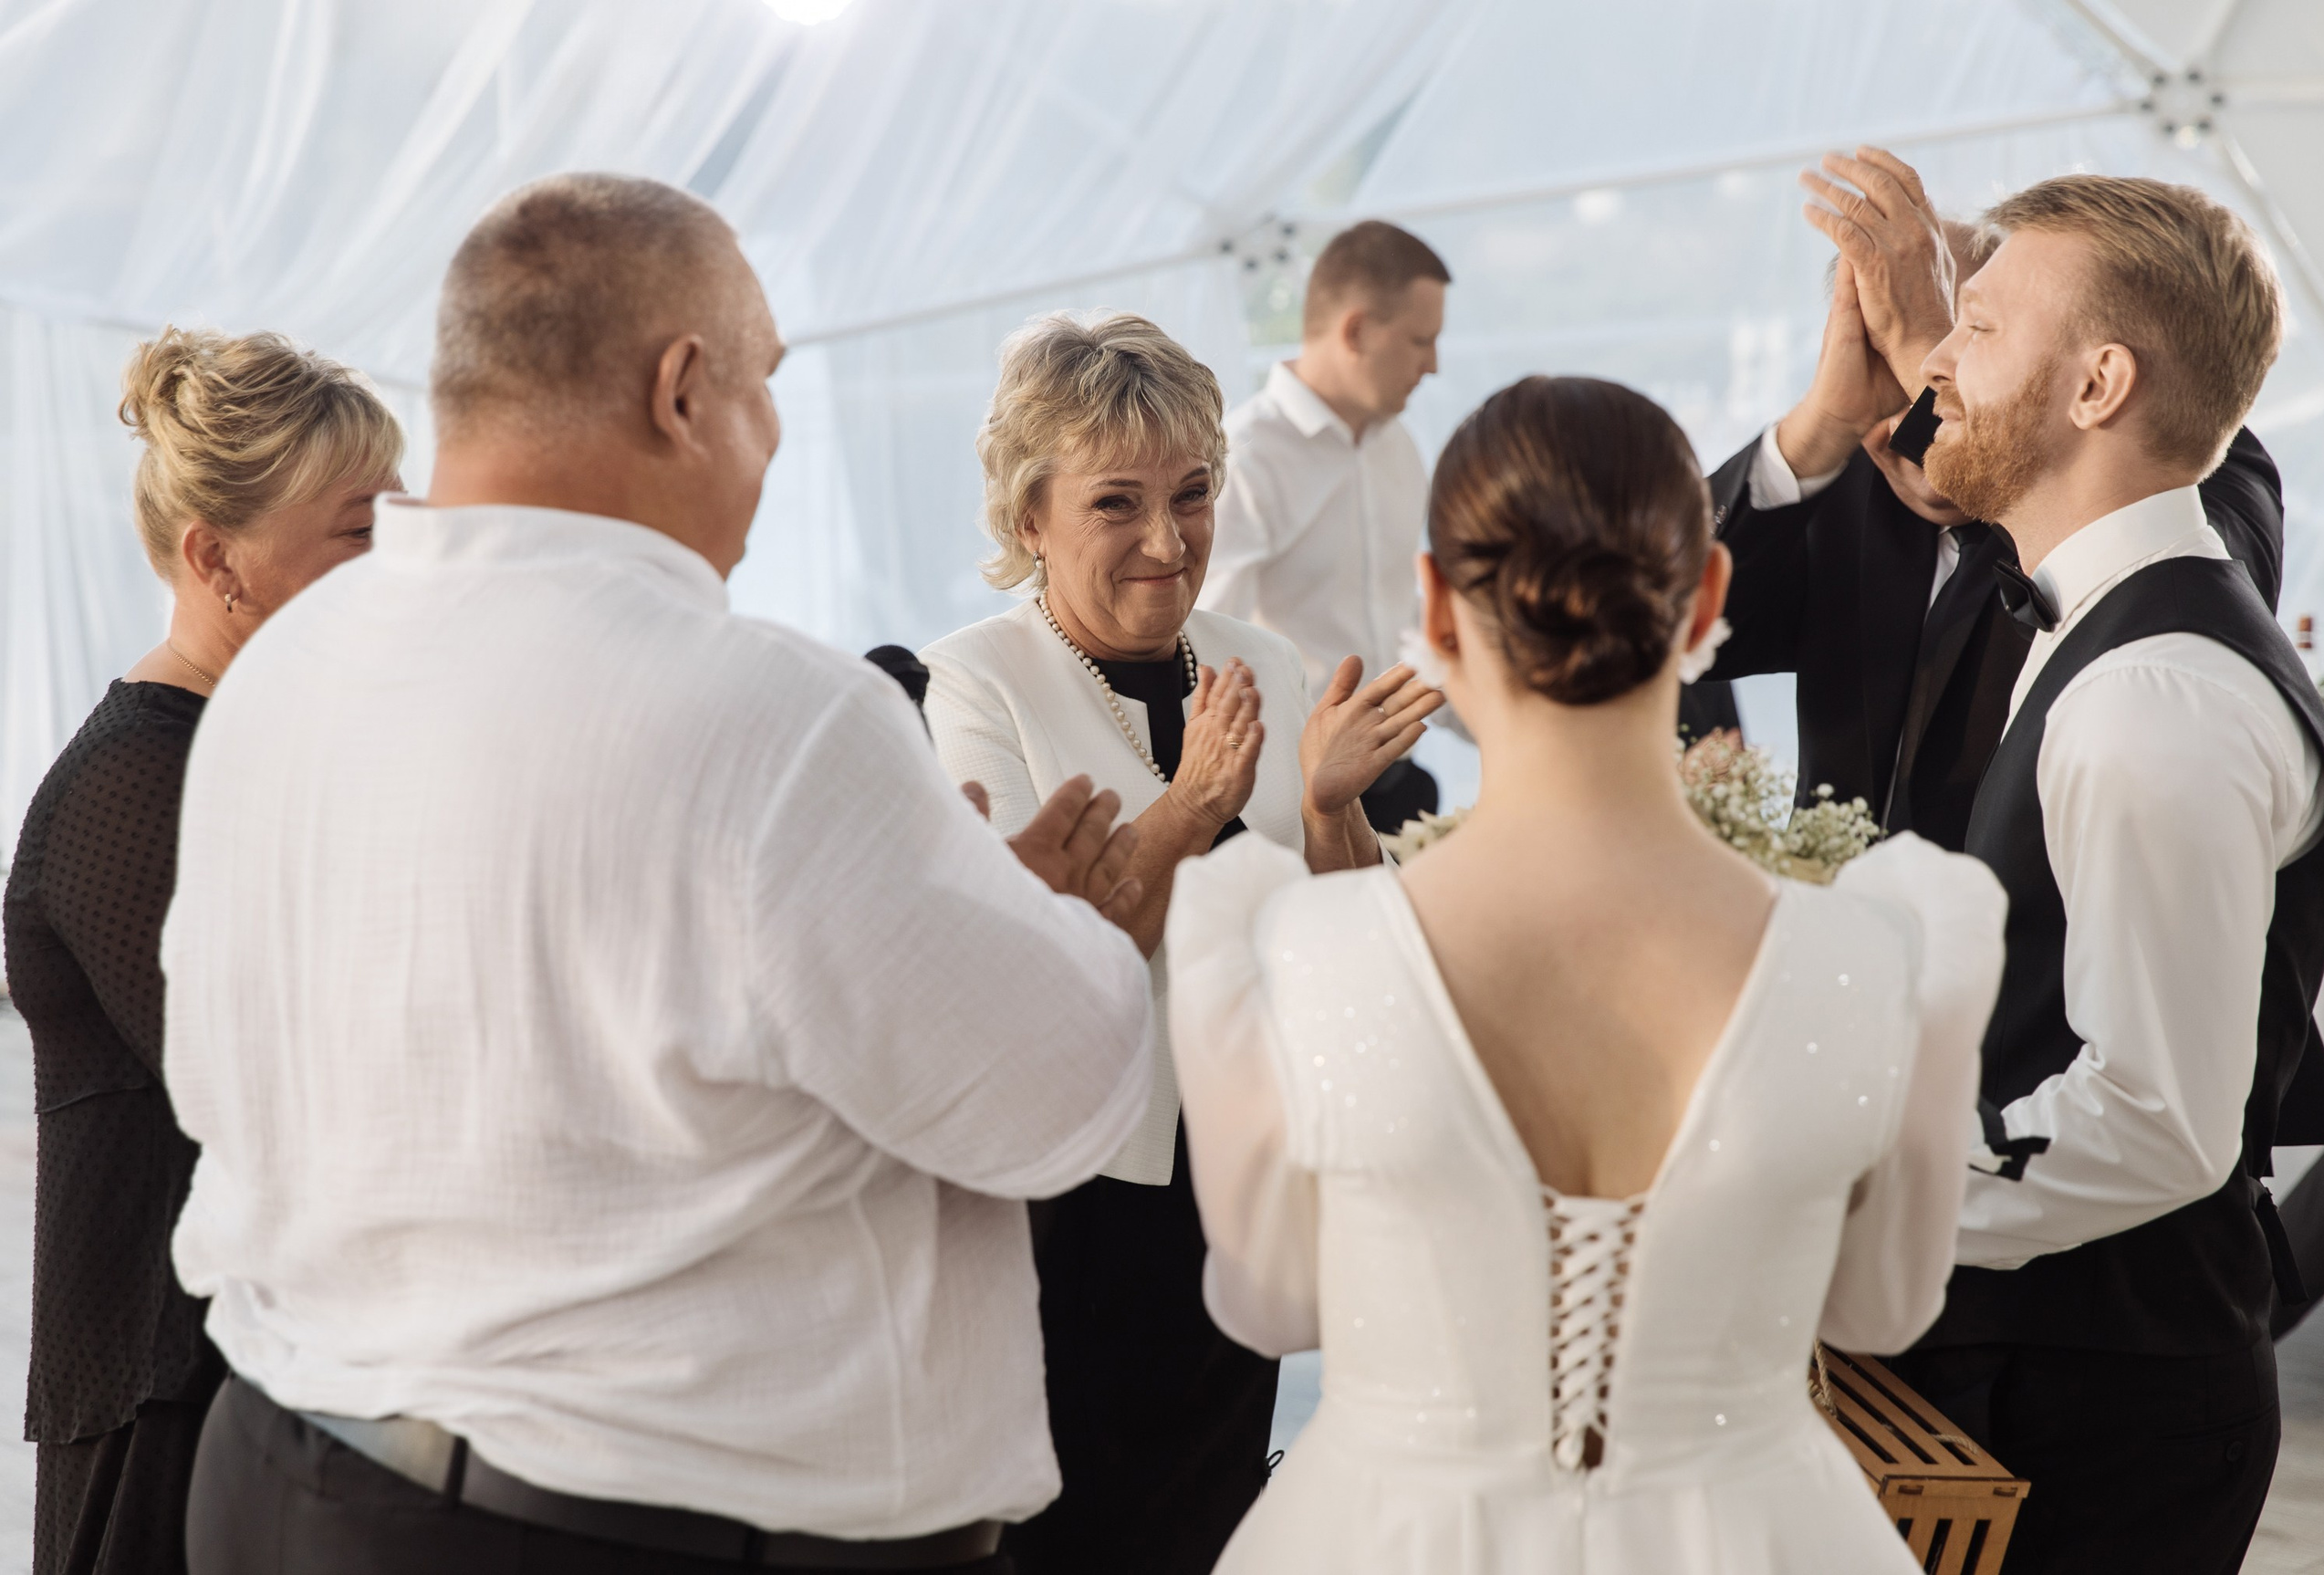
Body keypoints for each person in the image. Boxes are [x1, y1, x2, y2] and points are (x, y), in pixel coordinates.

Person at [164, 173, 1157, 1575]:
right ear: (684, 391)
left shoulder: (283, 676)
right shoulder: (774, 716)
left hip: (288, 1475)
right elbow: (1062, 1097)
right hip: (634, 1528)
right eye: (766, 383)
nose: (774, 433)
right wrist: (1045, 925)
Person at [1165, 374, 2004, 1571]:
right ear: (1708, 592)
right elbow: (1880, 1308)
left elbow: (1276, 1304)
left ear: (1437, 607)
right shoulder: (1887, 954)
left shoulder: (1293, 953)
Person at [920, 309, 1441, 1575]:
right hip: (1067, 1204)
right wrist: (1197, 803)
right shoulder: (970, 684)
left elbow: (1341, 938)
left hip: (1235, 1186)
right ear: (1028, 515)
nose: (1170, 541)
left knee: (1210, 1523)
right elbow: (1034, 965)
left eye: (1195, 494)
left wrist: (1329, 809)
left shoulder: (1257, 657)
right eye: (1118, 504)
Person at [1880, 175, 2324, 1575]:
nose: (1936, 367)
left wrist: (1847, 1192)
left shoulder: (2155, 699)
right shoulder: (2113, 628)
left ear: (2098, 384)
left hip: (2093, 1409)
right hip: (2053, 1367)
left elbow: (2155, 1117)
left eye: (1979, 327)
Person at [0, 328, 400, 1575]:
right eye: (354, 529)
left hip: (271, 1375)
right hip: (165, 1394)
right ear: (215, 555)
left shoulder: (262, 753)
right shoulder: (135, 783)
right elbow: (281, 1087)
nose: (395, 561)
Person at [1706, 146, 2284, 851]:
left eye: (1977, 329)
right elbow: (1654, 625)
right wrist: (1815, 432)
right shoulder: (1850, 475)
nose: (1938, 371)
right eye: (1905, 353)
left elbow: (2177, 604)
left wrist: (1926, 360)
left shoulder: (2187, 451)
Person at [1199, 220, 1450, 832]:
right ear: (1358, 331)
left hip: (1398, 783)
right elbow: (1201, 645)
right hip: (1292, 803)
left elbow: (1401, 614)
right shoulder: (1246, 459)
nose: (1435, 366)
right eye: (1421, 341)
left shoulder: (1401, 450)